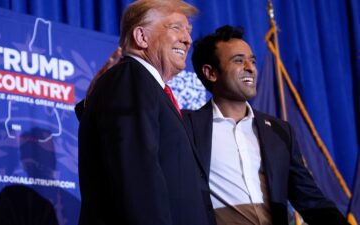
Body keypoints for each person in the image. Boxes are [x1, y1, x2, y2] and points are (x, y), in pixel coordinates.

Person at [184, 25, 349, 225]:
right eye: (238, 60)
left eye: (252, 61)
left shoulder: (280, 131)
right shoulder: (186, 128)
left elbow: (311, 200)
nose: (250, 67)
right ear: (210, 73)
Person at [77, 1, 215, 225]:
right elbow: (137, 179)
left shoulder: (148, 87)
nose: (188, 39)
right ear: (141, 37)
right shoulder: (131, 79)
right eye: (176, 28)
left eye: (188, 30)